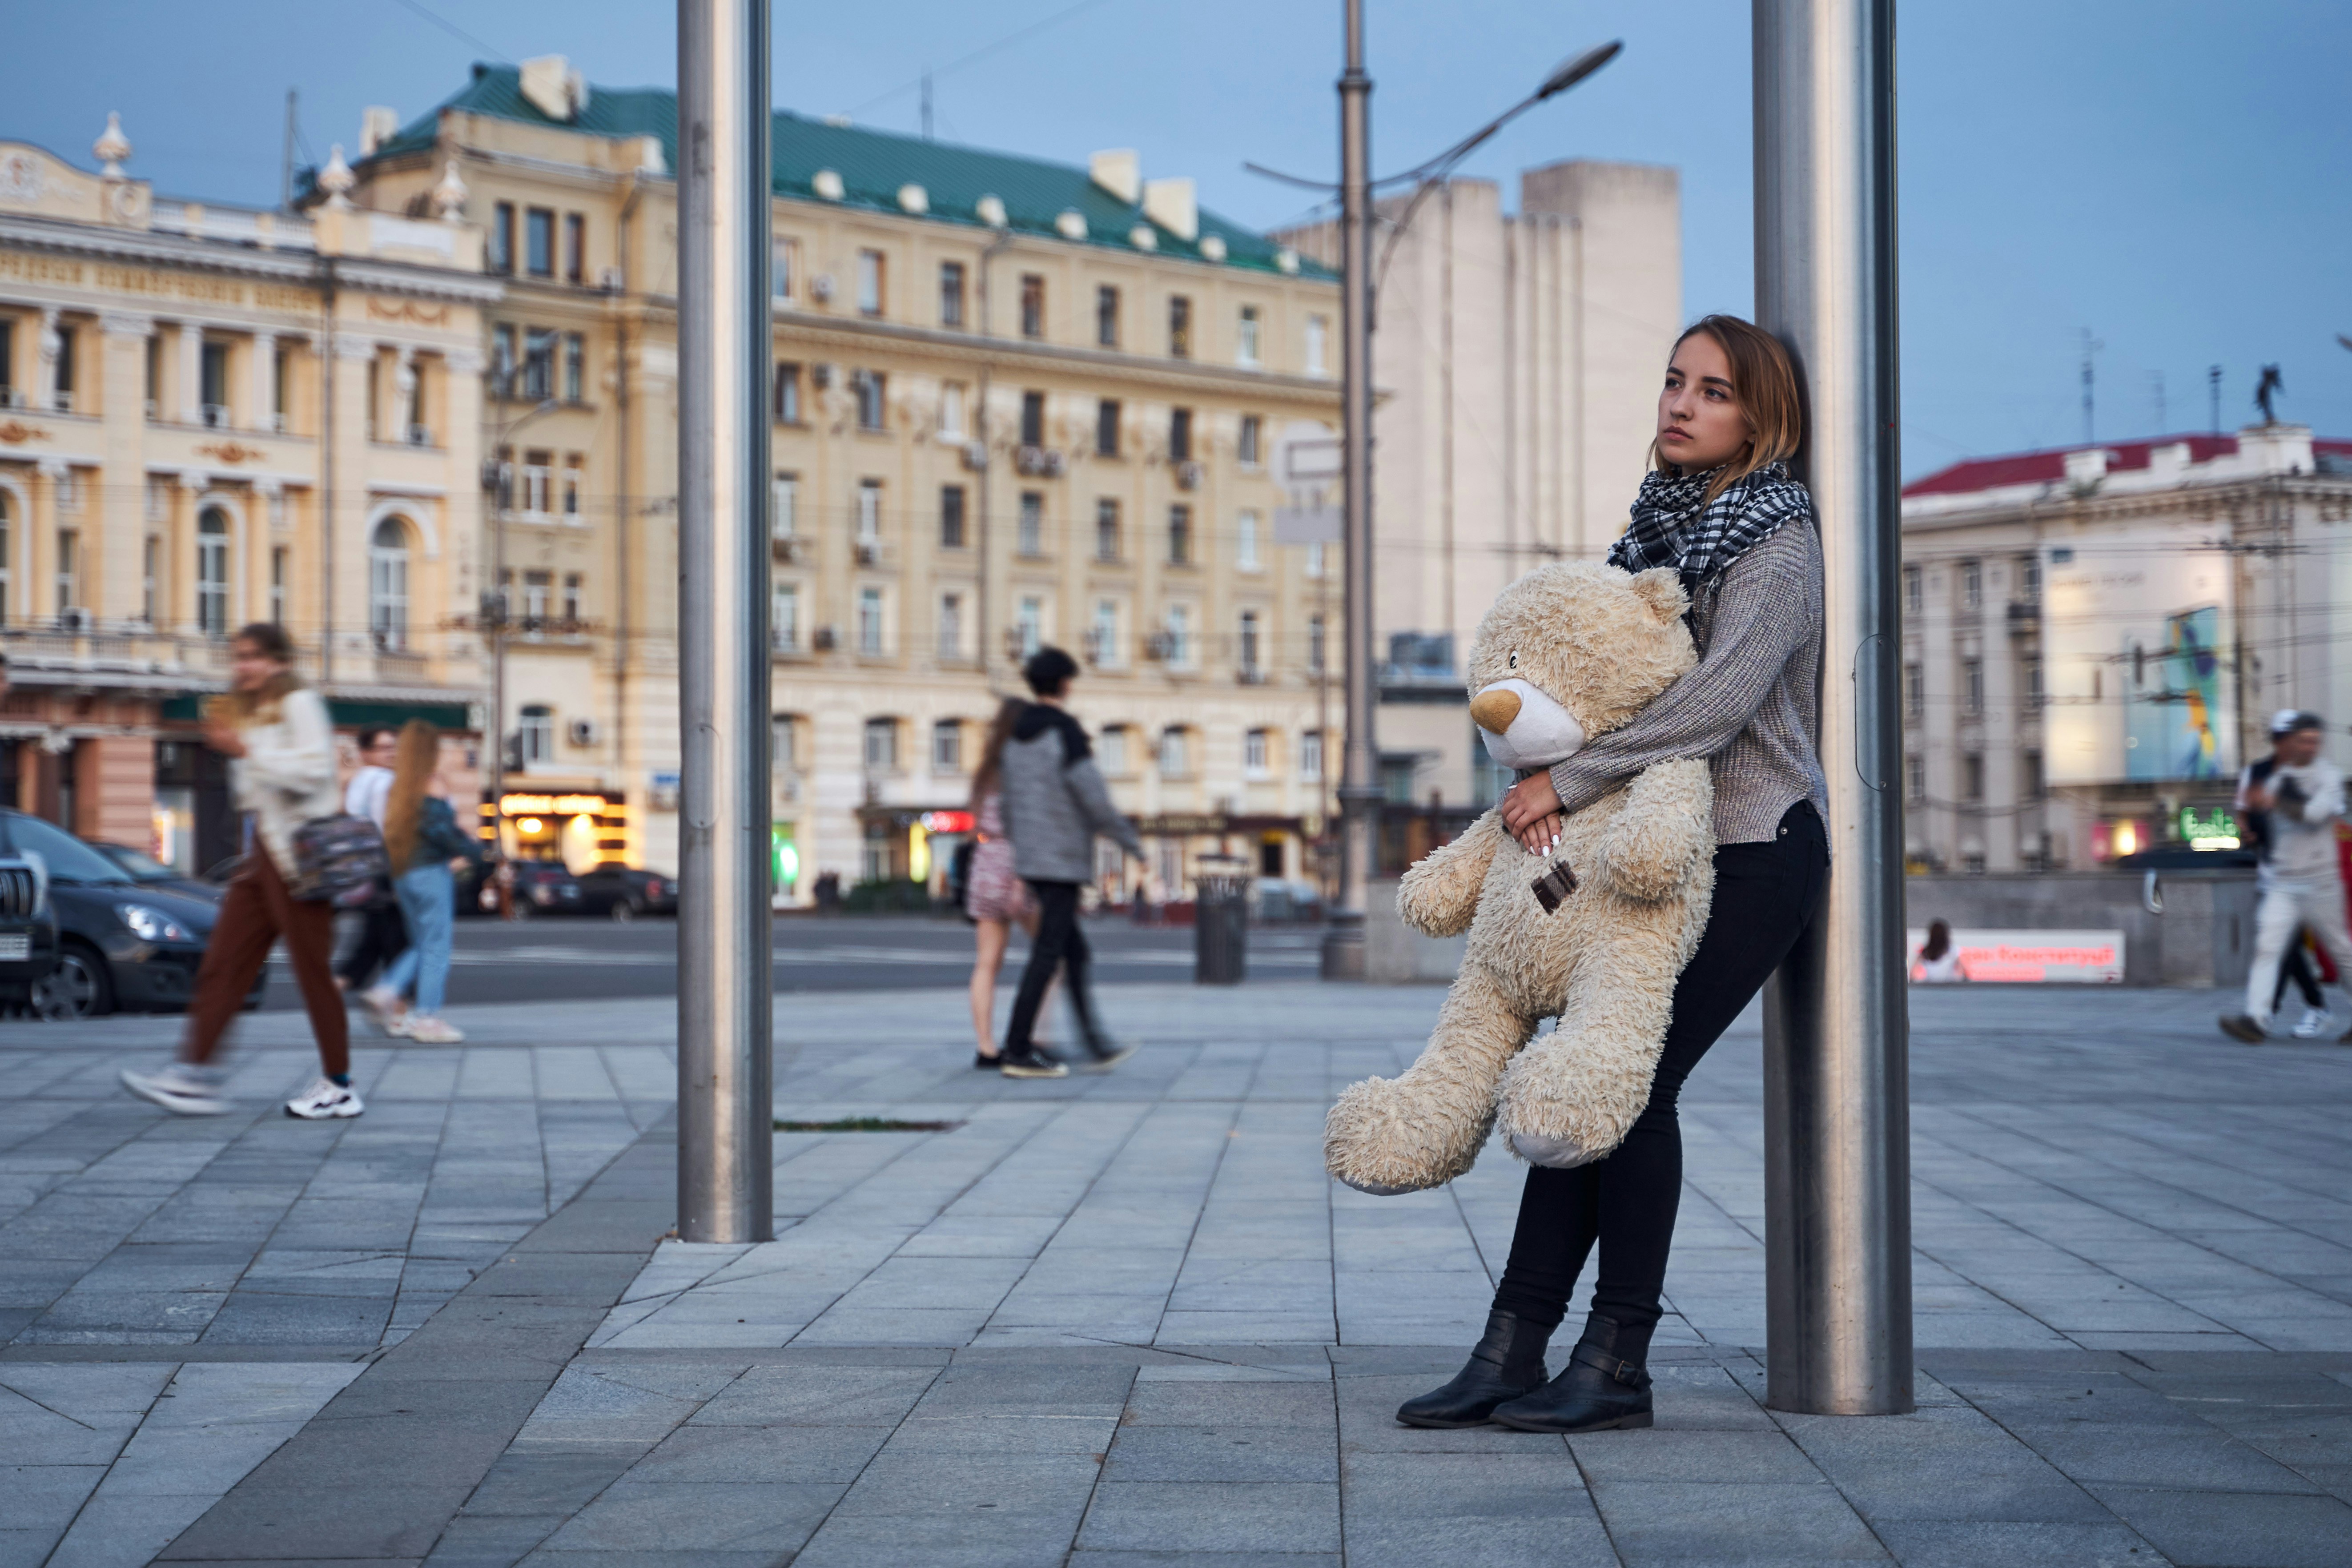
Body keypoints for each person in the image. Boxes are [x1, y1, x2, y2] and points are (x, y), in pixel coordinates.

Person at [1396, 314, 1827, 1435]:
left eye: (1714, 390)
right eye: (1674, 382)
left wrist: (1571, 779)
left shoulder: (1776, 542)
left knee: (1630, 1086)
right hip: (1633, 844)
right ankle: (1510, 1345)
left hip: (1746, 846)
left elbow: (1715, 704)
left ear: (1762, 415)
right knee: (1584, 1080)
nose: (1680, 403)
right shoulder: (1655, 532)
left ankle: (1617, 1357)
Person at [121, 624, 360, 1119]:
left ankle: (339, 1085)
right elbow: (255, 793)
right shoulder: (259, 714)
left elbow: (315, 770)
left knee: (313, 971)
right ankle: (195, 1075)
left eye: (252, 657)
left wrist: (247, 750)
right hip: (263, 856)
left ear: (279, 661)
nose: (242, 666)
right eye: (238, 656)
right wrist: (241, 744)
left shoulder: (300, 703)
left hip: (298, 858)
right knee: (224, 963)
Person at [996, 646, 1146, 1078]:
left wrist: (1020, 858)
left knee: (1075, 952)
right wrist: (1133, 845)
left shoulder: (1014, 737)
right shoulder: (1065, 731)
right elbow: (1095, 800)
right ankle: (1018, 1048)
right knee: (1047, 956)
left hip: (1033, 859)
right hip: (1061, 860)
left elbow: (1008, 806)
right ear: (1064, 684)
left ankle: (1096, 1044)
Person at [2220, 712, 2352, 1044]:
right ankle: (2257, 1020)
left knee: (2339, 950)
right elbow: (2246, 809)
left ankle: (2310, 1008)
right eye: (2289, 738)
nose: (2294, 745)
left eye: (2306, 740)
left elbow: (2313, 815)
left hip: (2318, 878)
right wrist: (2248, 829)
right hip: (2278, 875)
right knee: (2269, 946)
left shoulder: (2327, 777)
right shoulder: (2266, 774)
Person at [363, 720, 478, 1045]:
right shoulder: (433, 783)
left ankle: (386, 990)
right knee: (437, 946)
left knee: (422, 943)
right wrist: (476, 852)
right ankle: (426, 1017)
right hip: (431, 873)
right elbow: (442, 832)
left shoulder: (395, 789)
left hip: (402, 874)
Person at [964, 697, 1053, 1069]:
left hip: (984, 868)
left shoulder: (986, 772)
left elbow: (974, 826)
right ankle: (1036, 1037)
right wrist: (1019, 882)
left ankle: (986, 1047)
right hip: (1016, 868)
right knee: (1050, 955)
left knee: (986, 964)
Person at [333, 726, 410, 996]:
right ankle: (395, 1000)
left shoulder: (357, 781)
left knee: (376, 937)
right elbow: (390, 828)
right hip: (387, 867)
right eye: (385, 748)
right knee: (399, 938)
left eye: (394, 747)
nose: (392, 753)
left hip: (364, 868)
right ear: (366, 753)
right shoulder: (384, 781)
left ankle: (344, 981)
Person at [1910, 919, 1969, 983]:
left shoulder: (1925, 952)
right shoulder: (1952, 950)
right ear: (1946, 935)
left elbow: (1913, 974)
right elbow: (1963, 972)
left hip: (1931, 988)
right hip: (1949, 987)